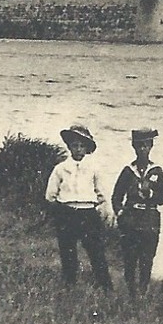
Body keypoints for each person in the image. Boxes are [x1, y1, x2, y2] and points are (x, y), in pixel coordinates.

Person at [45, 124, 114, 291]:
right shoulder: (60, 169)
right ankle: (69, 285)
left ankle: (105, 287)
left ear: (87, 148)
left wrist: (94, 205)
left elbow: (102, 193)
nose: (78, 149)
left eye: (82, 146)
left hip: (87, 213)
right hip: (67, 212)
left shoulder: (93, 169)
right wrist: (61, 208)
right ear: (69, 147)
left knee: (96, 251)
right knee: (68, 251)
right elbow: (50, 194)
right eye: (75, 145)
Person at [111, 128, 163, 296]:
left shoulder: (156, 171)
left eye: (146, 146)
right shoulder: (128, 171)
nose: (143, 149)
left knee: (147, 257)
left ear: (151, 147)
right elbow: (116, 196)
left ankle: (143, 289)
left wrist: (151, 194)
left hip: (150, 219)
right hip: (131, 219)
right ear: (134, 147)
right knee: (129, 257)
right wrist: (120, 213)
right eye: (139, 146)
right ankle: (131, 291)